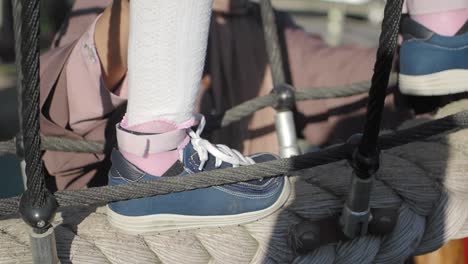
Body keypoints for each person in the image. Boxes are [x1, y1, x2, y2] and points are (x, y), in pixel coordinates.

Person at [37, 0, 467, 232]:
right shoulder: (99, 12)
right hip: (124, 228)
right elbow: (61, 106)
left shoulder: (258, 20)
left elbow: (335, 74)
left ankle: (442, 36)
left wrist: (420, 69)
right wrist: (140, 17)